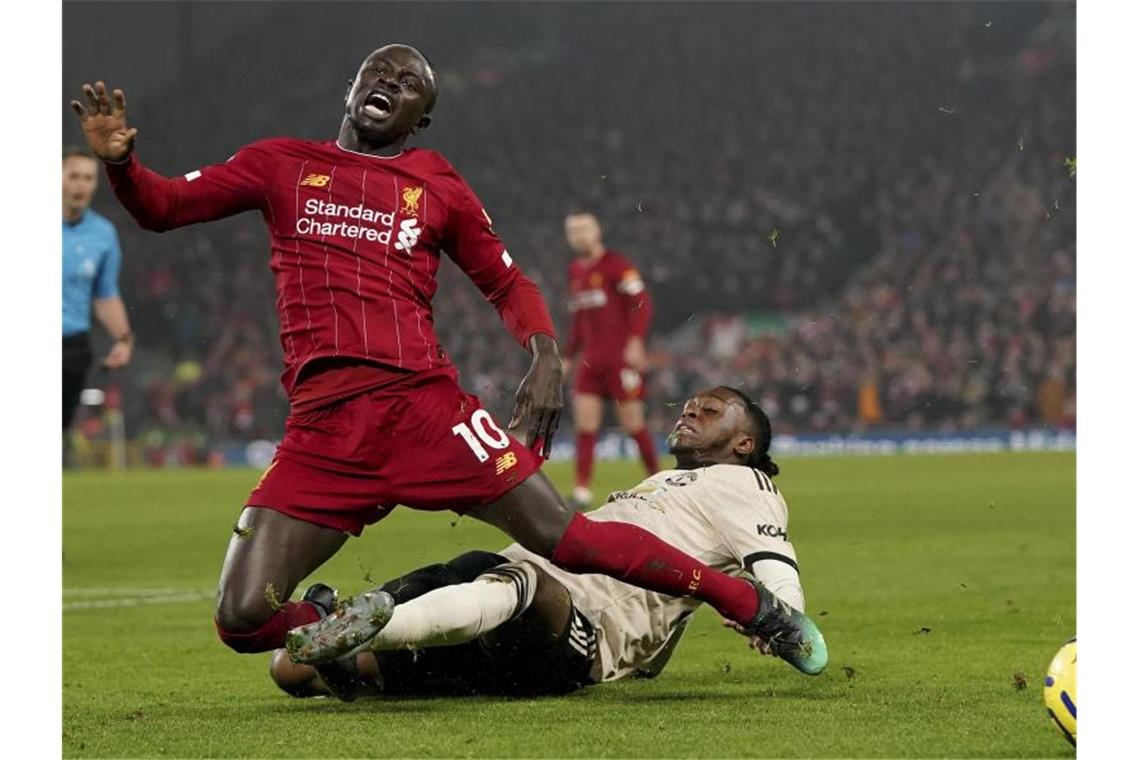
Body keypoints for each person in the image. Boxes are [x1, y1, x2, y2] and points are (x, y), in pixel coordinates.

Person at [69, 45, 810, 663]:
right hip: (324, 434)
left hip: (426, 410)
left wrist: (546, 356)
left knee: (567, 538)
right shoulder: (281, 165)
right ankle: (326, 615)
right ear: (352, 87)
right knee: (240, 620)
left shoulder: (435, 183)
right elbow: (163, 208)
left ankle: (748, 604)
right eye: (378, 73)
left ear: (421, 117)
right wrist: (123, 166)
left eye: (408, 85)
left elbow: (506, 280)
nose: (388, 85)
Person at [282, 387, 826, 701]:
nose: (689, 411)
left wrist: (783, 615)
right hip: (502, 608)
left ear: (744, 442)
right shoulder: (662, 483)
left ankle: (361, 631)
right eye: (689, 405)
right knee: (288, 669)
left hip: (577, 631)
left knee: (522, 583)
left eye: (709, 411)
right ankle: (344, 647)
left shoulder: (746, 484)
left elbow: (776, 563)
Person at [563, 211, 657, 508]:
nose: (580, 235)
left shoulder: (617, 266)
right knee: (585, 423)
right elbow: (579, 321)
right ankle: (581, 490)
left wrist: (635, 340)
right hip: (591, 361)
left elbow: (642, 303)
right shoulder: (576, 271)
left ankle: (659, 481)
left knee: (633, 422)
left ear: (597, 231)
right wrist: (567, 356)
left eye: (584, 229)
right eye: (574, 231)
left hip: (619, 359)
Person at [62, 146, 135, 435]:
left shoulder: (103, 234)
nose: (81, 184)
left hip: (72, 348)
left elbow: (105, 295)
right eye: (74, 175)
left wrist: (123, 339)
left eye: (89, 178)